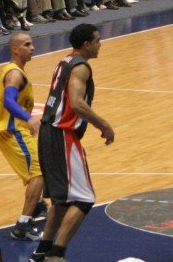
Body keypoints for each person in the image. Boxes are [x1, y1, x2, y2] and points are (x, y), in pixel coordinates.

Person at [32, 24, 114, 262]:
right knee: (84, 198)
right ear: (86, 44)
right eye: (97, 40)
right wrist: (104, 125)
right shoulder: (80, 67)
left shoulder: (64, 61)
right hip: (62, 135)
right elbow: (77, 103)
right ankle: (56, 254)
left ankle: (42, 250)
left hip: (49, 132)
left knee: (61, 198)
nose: (101, 44)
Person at [0, 32, 45, 242]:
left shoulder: (16, 71)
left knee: (40, 168)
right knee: (38, 173)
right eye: (27, 44)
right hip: (12, 130)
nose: (32, 47)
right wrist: (28, 117)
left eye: (32, 43)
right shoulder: (14, 74)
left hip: (17, 129)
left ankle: (38, 204)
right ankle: (22, 225)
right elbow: (9, 100)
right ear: (15, 49)